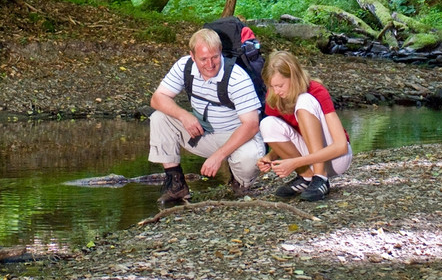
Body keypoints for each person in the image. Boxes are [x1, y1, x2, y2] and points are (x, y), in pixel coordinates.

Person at [149, 28, 265, 203]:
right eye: (203, 59)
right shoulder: (184, 66)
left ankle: (240, 183)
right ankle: (176, 184)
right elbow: (157, 99)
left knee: (249, 159)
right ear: (192, 56)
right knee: (159, 118)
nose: (210, 64)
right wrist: (183, 115)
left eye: (215, 57)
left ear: (221, 54)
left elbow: (251, 125)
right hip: (204, 134)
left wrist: (218, 156)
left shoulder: (237, 78)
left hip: (238, 137)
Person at [256, 51, 352, 201]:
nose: (276, 91)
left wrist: (294, 163)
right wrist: (270, 157)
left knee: (304, 100)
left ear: (293, 77)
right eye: (272, 86)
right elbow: (283, 136)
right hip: (309, 158)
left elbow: (341, 146)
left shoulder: (316, 91)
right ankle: (306, 177)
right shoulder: (275, 96)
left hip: (336, 159)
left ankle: (320, 178)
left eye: (280, 85)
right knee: (266, 123)